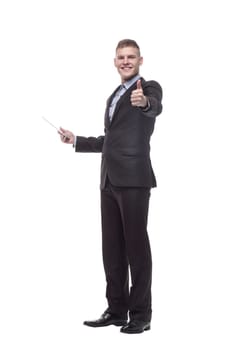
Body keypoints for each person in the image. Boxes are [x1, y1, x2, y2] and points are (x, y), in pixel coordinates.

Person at [59, 39, 163, 334]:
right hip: (108, 180)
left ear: (141, 60)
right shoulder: (114, 95)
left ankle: (141, 314)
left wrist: (145, 103)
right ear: (115, 62)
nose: (126, 61)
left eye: (131, 57)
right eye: (121, 57)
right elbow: (111, 142)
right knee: (112, 249)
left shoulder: (149, 87)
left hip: (134, 180)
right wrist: (77, 141)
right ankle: (117, 309)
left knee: (136, 248)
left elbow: (154, 106)